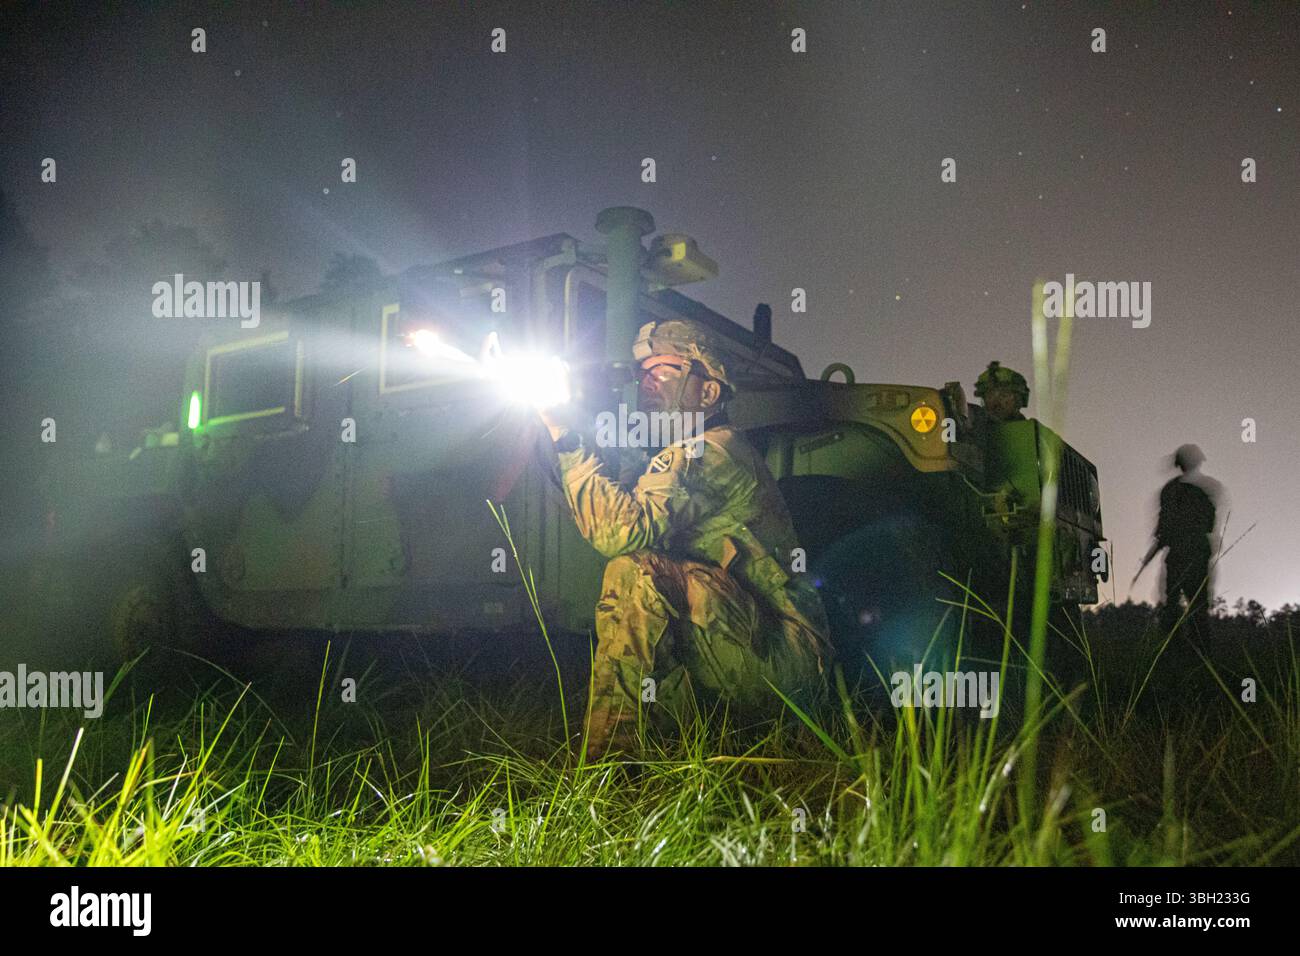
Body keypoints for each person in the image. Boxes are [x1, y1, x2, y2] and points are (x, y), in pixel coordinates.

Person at [540, 318, 831, 760]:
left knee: (634, 574)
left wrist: (566, 436)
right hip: (751, 642)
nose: (646, 385)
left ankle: (612, 772)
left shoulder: (712, 450)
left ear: (709, 392)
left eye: (664, 372)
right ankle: (679, 750)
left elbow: (619, 532)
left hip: (785, 659)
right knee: (647, 575)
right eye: (643, 375)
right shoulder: (680, 453)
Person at [1147, 444, 1221, 635]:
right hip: (1196, 557)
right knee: (1196, 609)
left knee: (1174, 607)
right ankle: (1195, 655)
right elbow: (1210, 525)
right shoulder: (1208, 489)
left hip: (1181, 558)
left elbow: (1162, 530)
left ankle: (1175, 652)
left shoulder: (1170, 490)